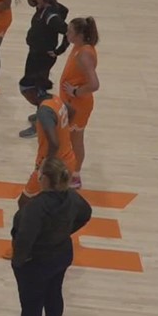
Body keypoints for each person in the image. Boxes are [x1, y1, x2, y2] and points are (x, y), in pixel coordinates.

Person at [3, 157, 92, 316]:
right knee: (54, 294)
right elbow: (86, 213)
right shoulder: (71, 197)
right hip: (61, 255)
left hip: (36, 263)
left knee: (32, 303)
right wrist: (67, 231)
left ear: (44, 179)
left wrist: (18, 263)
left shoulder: (35, 208)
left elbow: (24, 239)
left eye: (38, 171)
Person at [18, 0, 69, 138]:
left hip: (42, 57)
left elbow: (67, 31)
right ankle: (42, 111)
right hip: (35, 54)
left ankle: (42, 119)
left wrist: (59, 50)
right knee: (37, 86)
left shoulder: (50, 16)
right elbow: (64, 9)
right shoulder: (45, 8)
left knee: (30, 87)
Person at [59, 17, 100, 188]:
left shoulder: (84, 54)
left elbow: (94, 84)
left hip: (77, 105)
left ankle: (74, 175)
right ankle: (70, 171)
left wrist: (75, 92)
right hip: (70, 102)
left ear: (80, 35)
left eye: (70, 32)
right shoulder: (78, 47)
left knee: (74, 140)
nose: (67, 34)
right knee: (69, 139)